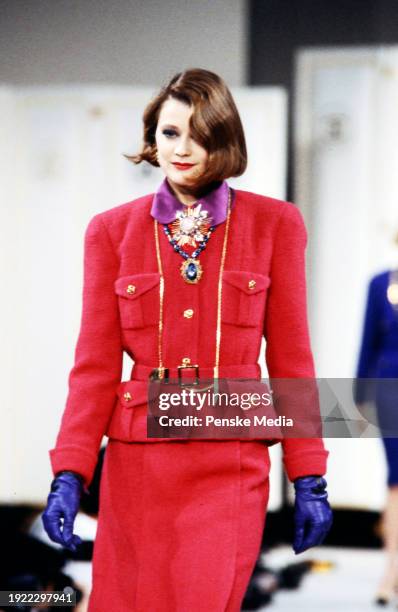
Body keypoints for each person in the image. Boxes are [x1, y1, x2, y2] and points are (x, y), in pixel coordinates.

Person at [42, 68, 333, 612]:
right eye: (170, 133)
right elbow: (94, 367)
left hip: (229, 465)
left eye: (199, 133)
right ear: (153, 138)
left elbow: (292, 359)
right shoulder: (111, 232)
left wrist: (309, 475)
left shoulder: (275, 225)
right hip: (138, 469)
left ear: (224, 137)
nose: (182, 148)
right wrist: (70, 471)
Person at [355, 268, 398, 606]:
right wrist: (357, 395)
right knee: (396, 478)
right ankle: (392, 569)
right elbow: (368, 339)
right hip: (390, 387)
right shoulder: (382, 283)